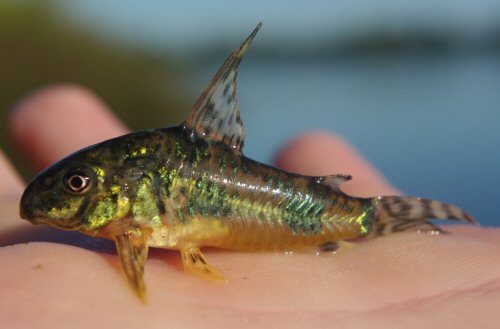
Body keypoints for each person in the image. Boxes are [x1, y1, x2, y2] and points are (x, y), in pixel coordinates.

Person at [1, 85, 498, 328]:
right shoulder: (132, 212)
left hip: (334, 214)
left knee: (360, 215)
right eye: (77, 183)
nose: (72, 191)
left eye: (78, 183)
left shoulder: (136, 225)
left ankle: (388, 223)